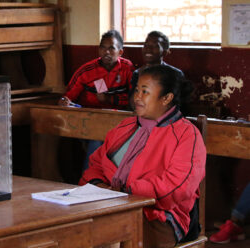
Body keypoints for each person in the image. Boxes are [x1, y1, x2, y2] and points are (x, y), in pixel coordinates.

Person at [80, 65, 206, 248]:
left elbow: (178, 187)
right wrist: (99, 186)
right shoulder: (125, 126)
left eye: (145, 92)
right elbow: (96, 165)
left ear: (166, 98)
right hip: (110, 206)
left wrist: (126, 193)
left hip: (159, 216)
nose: (137, 97)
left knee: (111, 234)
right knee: (72, 231)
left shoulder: (187, 135)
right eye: (137, 90)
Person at [59, 29, 135, 170]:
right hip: (89, 120)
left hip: (117, 120)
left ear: (120, 52)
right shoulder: (87, 70)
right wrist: (65, 101)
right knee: (97, 135)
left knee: (103, 137)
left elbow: (134, 99)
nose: (106, 52)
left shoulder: (127, 68)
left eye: (111, 48)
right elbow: (68, 96)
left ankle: (94, 179)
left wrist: (110, 99)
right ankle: (91, 180)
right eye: (103, 48)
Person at [129, 31, 184, 109]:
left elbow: (177, 106)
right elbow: (133, 106)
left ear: (165, 52)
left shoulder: (175, 74)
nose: (148, 49)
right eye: (146, 45)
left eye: (155, 46)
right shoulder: (137, 73)